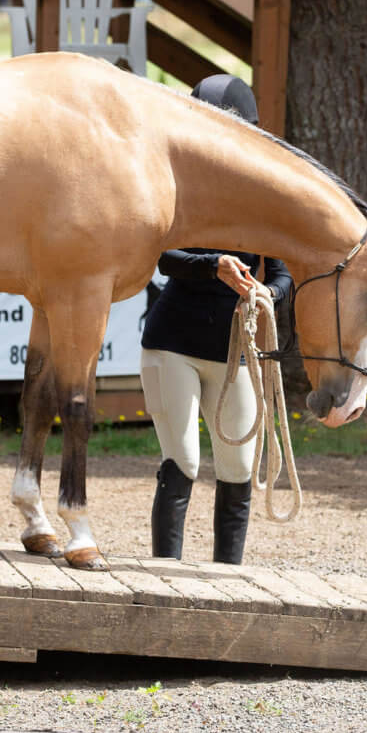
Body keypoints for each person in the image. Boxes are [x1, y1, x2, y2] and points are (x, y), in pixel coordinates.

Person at [140, 75, 293, 565]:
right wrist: (214, 265)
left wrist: (267, 293)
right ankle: (166, 572)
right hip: (173, 344)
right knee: (182, 460)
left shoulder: (263, 196)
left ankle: (228, 578)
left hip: (235, 351)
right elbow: (163, 257)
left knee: (239, 466)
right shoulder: (180, 186)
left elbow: (284, 273)